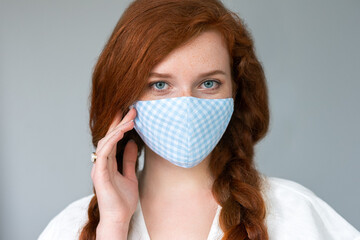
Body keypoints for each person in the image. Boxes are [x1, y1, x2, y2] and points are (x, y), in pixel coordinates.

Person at [38, 0, 360, 239]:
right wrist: (113, 227)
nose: (186, 105)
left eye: (209, 83)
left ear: (237, 91)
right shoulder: (68, 229)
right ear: (124, 97)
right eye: (160, 85)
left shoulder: (296, 215)